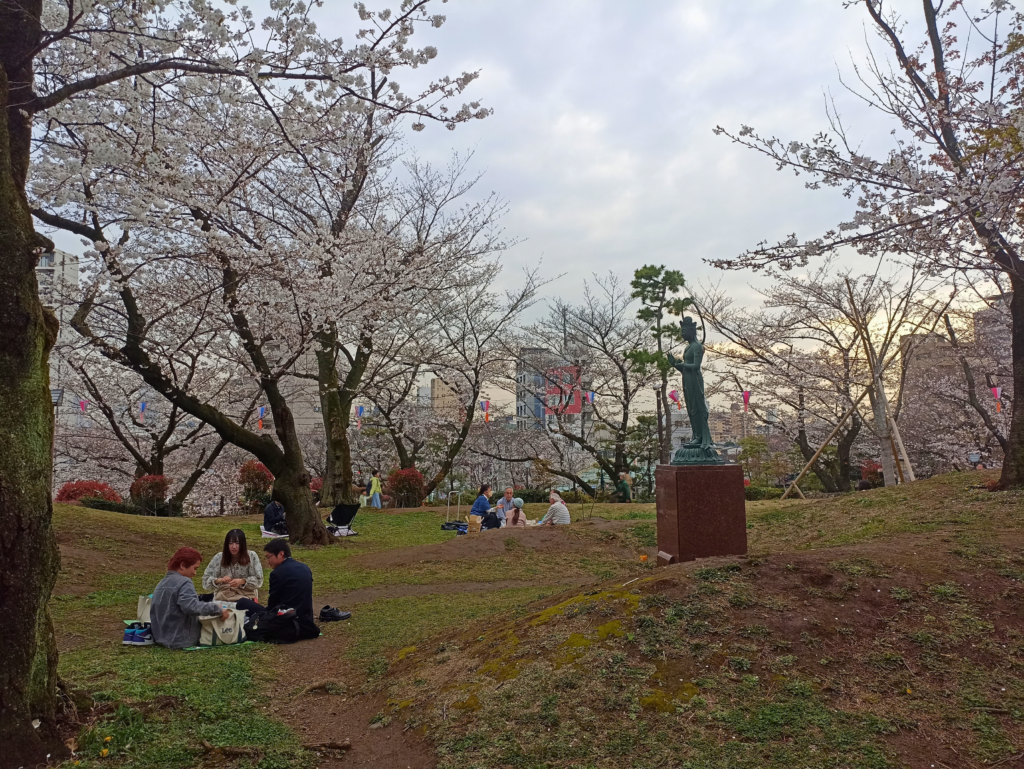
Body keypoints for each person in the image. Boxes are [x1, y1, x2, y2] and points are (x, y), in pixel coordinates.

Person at [236, 540, 324, 642]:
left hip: (286, 619)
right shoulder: (305, 568)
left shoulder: (277, 573)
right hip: (306, 620)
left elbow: (273, 605)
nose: (268, 561)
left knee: (243, 603)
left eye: (269, 557)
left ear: (281, 554)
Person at [151, 547, 231, 650]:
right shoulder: (184, 582)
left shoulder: (162, 582)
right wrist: (218, 609)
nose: (195, 573)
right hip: (180, 640)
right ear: (183, 565)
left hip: (161, 637)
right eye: (195, 568)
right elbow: (191, 607)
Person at [202, 529, 264, 602]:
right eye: (230, 543)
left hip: (245, 596)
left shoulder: (252, 556)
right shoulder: (219, 557)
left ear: (242, 544)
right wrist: (219, 580)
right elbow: (205, 581)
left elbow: (259, 580)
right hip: (223, 596)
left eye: (237, 543)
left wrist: (243, 581)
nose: (234, 547)